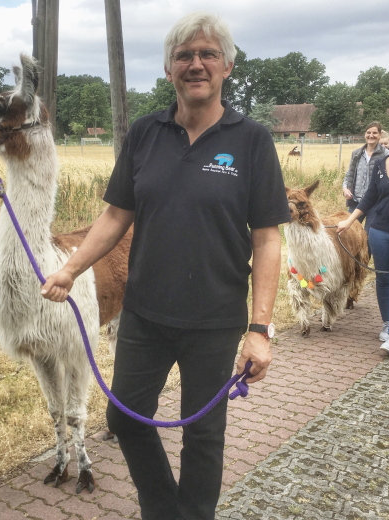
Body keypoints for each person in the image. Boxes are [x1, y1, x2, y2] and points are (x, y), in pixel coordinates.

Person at [41, 11, 290, 520]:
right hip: (144, 314)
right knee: (126, 419)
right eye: (184, 56)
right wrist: (72, 268)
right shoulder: (145, 134)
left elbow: (267, 240)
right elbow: (115, 215)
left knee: (204, 434)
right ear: (168, 68)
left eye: (207, 55)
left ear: (227, 67)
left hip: (215, 320)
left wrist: (260, 328)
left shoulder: (252, 141)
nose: (195, 64)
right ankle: (162, 509)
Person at [338, 116, 389, 355]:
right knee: (383, 279)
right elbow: (369, 198)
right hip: (378, 230)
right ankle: (387, 322)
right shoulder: (381, 164)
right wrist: (349, 221)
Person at [342, 122, 389, 239]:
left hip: (375, 204)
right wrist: (345, 188)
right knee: (350, 235)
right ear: (365, 134)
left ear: (380, 135)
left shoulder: (386, 155)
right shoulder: (357, 154)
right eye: (368, 132)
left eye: (374, 133)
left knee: (368, 236)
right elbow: (350, 174)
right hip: (356, 201)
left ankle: (365, 258)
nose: (371, 135)